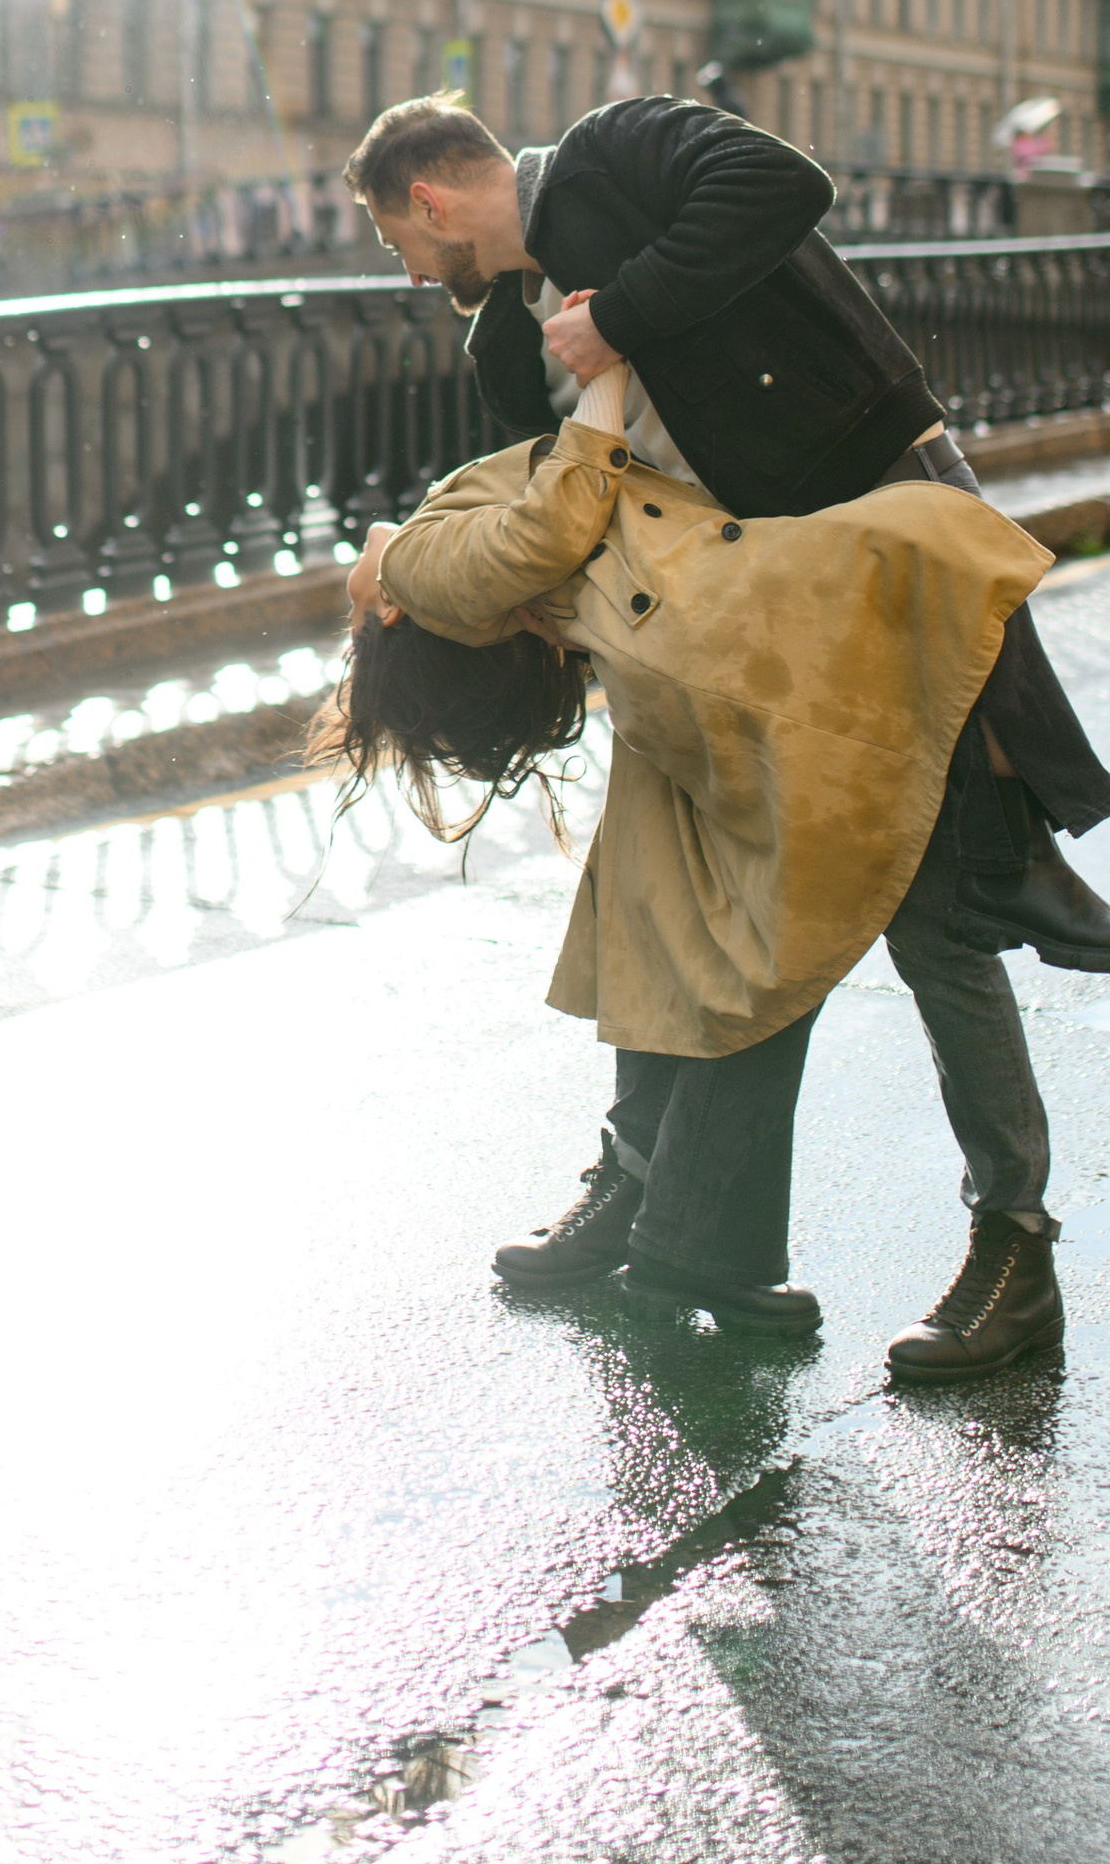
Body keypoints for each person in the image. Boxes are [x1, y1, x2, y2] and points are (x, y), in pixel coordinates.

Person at [339, 90, 1110, 1371]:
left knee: (936, 918)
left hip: (853, 537)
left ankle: (1013, 1245)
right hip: (711, 639)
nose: (407, 267)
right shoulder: (506, 344)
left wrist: (615, 316)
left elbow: (782, 185)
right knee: (655, 898)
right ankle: (636, 1188)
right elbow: (560, 497)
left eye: (398, 239)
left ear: (431, 200)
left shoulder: (617, 154)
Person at [327, 351, 1061, 1373]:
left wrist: (608, 353)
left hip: (813, 623)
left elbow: (491, 527)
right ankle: (666, 1192)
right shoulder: (462, 569)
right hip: (789, 637)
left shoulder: (451, 557)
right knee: (663, 904)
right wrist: (607, 362)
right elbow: (526, 518)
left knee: (930, 943)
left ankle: (1006, 1242)